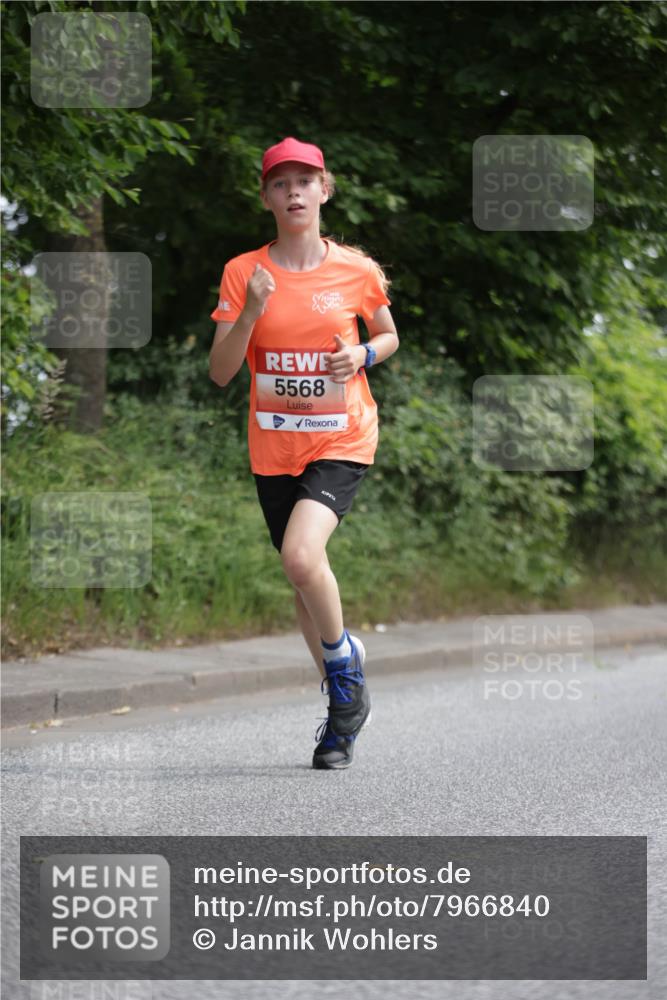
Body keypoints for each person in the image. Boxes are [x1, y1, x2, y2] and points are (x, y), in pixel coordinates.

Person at [209, 137, 399, 770]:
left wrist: (364, 354)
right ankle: (345, 715)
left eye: (305, 181)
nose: (293, 192)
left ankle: (343, 676)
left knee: (300, 553)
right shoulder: (243, 273)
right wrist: (252, 310)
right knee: (301, 576)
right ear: (266, 197)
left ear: (325, 190)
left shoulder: (356, 270)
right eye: (280, 183)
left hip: (343, 436)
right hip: (274, 445)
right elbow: (220, 371)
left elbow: (388, 334)